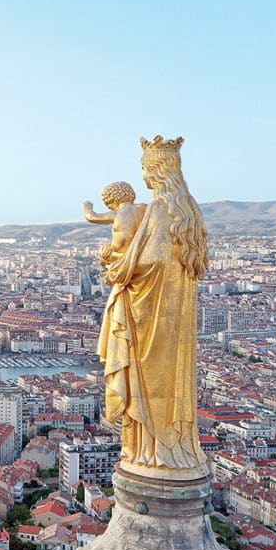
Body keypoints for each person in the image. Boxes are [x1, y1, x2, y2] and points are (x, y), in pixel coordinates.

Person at [92, 136, 210, 476]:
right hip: (176, 318)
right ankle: (168, 450)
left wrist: (117, 264)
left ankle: (150, 453)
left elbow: (151, 260)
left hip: (149, 318)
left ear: (157, 171)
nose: (143, 178)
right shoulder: (186, 211)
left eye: (146, 169)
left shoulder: (159, 210)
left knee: (145, 384)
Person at [83, 181, 146, 272]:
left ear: (114, 200)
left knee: (102, 253)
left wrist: (87, 208)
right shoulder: (144, 208)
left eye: (109, 204)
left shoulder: (118, 213)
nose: (108, 207)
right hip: (141, 252)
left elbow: (92, 217)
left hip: (122, 254)